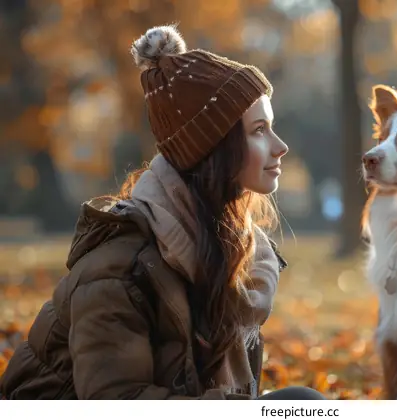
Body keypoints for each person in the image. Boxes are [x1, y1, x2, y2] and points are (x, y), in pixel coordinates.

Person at [0, 24, 326, 401]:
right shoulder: (120, 268)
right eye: (259, 130)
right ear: (214, 147)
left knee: (304, 404)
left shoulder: (235, 248)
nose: (280, 146)